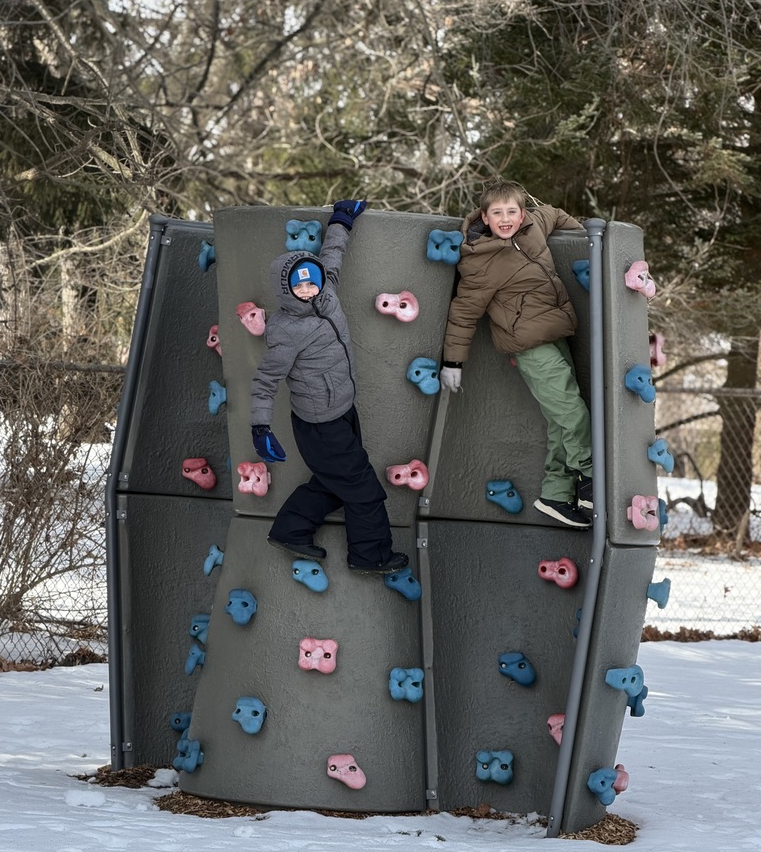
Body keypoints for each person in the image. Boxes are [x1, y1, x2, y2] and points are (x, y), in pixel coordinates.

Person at [251, 199, 409, 573]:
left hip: (341, 411)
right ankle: (371, 557)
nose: (307, 288)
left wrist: (341, 220)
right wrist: (260, 426)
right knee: (364, 490)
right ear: (286, 289)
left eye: (312, 279)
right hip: (320, 425)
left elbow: (332, 254)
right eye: (298, 284)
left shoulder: (328, 294)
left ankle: (291, 529)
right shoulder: (287, 331)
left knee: (334, 482)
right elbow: (266, 379)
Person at [440, 179, 593, 528]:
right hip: (527, 345)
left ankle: (555, 493)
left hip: (556, 333)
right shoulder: (479, 259)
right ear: (485, 216)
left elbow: (554, 214)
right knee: (571, 411)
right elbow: (464, 312)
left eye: (511, 211)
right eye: (497, 213)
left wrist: (588, 240)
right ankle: (590, 478)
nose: (505, 218)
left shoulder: (533, 226)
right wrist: (453, 362)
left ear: (522, 213)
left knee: (559, 419)